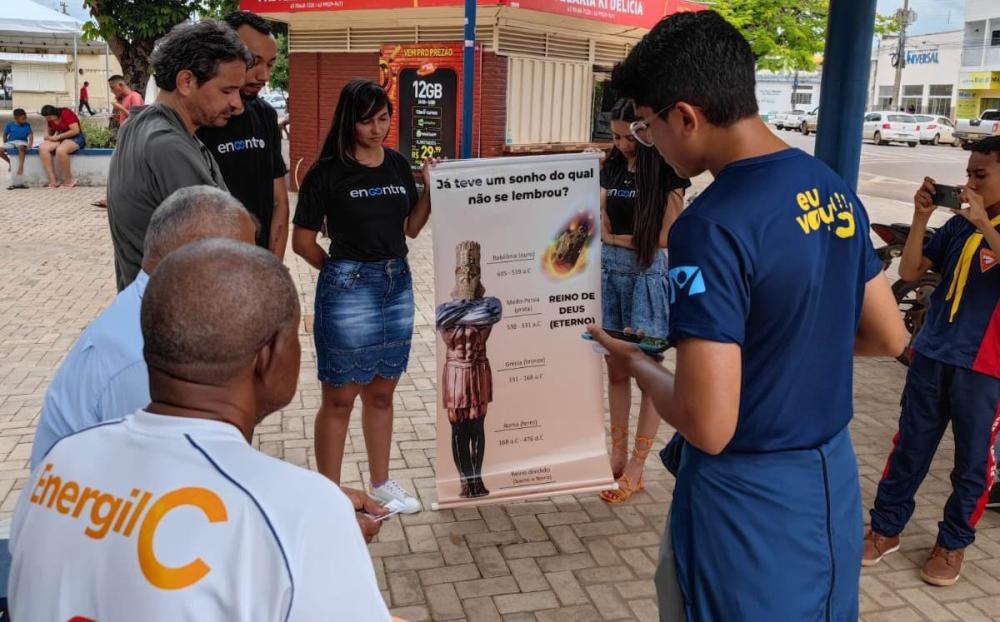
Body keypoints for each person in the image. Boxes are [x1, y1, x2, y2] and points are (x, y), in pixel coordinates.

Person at [591, 11, 908, 620]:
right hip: (829, 484)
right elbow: (888, 334)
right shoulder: (830, 187)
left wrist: (636, 363)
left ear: (686, 116)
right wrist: (791, 349)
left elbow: (708, 424)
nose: (649, 141)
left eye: (650, 127)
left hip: (749, 502)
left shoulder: (711, 226)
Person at [10, 240, 392, 621]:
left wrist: (295, 517)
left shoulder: (60, 463)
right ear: (269, 356)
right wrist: (313, 535)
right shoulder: (305, 514)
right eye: (295, 336)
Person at [31, 186, 254, 467]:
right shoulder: (147, 358)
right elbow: (168, 478)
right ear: (197, 257)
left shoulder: (149, 308)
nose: (250, 280)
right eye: (244, 262)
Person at [863, 136, 1000, 586]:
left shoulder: (980, 223)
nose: (968, 183)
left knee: (973, 462)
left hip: (985, 367)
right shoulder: (960, 225)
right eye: (967, 174)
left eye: (980, 175)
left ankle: (953, 542)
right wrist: (923, 217)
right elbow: (908, 272)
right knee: (911, 447)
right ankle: (885, 529)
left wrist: (986, 225)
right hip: (934, 351)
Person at [293, 79, 433, 513]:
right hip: (348, 287)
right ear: (349, 121)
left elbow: (409, 228)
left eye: (384, 118)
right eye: (367, 120)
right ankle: (328, 494)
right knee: (340, 396)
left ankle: (381, 482)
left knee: (381, 393)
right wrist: (340, 275)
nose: (377, 128)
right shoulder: (327, 171)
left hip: (396, 283)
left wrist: (430, 189)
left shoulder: (395, 165)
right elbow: (303, 241)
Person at [107, 19, 251, 292]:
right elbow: (226, 251)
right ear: (186, 81)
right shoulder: (167, 144)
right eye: (227, 90)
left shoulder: (140, 126)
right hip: (176, 318)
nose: (237, 104)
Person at [598, 98, 688, 504]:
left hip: (647, 272)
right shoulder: (612, 164)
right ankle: (616, 454)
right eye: (615, 136)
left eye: (629, 135)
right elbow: (596, 217)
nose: (622, 144)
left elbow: (672, 234)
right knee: (615, 365)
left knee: (647, 370)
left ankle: (637, 466)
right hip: (608, 270)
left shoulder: (667, 171)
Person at [198, 11, 290, 258]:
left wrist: (272, 267)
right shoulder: (198, 118)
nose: (264, 75)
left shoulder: (266, 115)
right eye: (253, 61)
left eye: (270, 64)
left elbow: (279, 200)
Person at [435, 241, 503, 499]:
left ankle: (477, 478)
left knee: (478, 427)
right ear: (455, 275)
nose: (467, 278)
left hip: (477, 369)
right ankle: (465, 480)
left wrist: (462, 311)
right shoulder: (444, 310)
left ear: (479, 276)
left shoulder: (489, 305)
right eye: (463, 274)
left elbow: (491, 313)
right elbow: (440, 318)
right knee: (458, 428)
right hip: (455, 372)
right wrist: (467, 309)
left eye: (472, 274)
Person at [38, 104, 85, 189]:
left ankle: (69, 180)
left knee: (61, 150)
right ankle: (53, 180)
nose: (47, 119)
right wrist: (48, 137)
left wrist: (58, 137)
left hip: (75, 137)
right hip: (60, 138)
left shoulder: (66, 113)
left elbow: (75, 130)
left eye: (49, 117)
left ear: (54, 114)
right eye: (46, 118)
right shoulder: (50, 119)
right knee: (42, 148)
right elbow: (51, 132)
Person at [2, 108, 32, 189]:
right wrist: (5, 143)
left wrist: (30, 143)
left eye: (25, 118)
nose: (25, 120)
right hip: (11, 142)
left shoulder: (27, 125)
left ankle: (20, 166)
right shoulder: (9, 125)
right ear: (16, 118)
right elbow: (5, 134)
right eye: (23, 119)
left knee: (22, 148)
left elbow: (30, 135)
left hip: (22, 142)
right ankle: (10, 163)